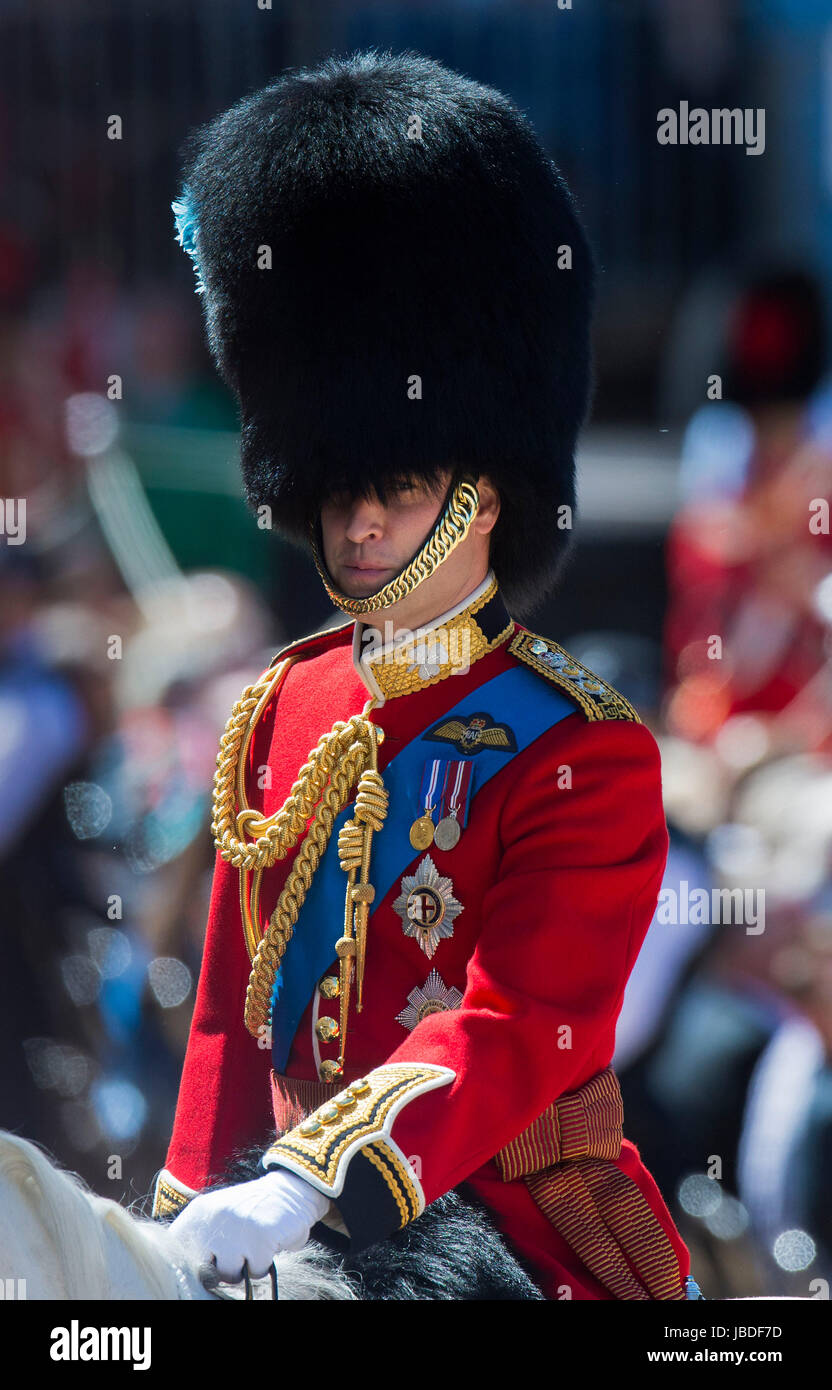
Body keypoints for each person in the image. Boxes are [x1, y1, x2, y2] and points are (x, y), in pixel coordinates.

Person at [154, 49, 693, 1301]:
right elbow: (233, 1022)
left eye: (396, 486)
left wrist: (308, 1179)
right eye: (339, 485)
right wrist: (184, 1215)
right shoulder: (279, 706)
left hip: (506, 1223)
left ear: (485, 493)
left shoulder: (581, 750)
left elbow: (514, 1028)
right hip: (274, 1214)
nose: (357, 522)